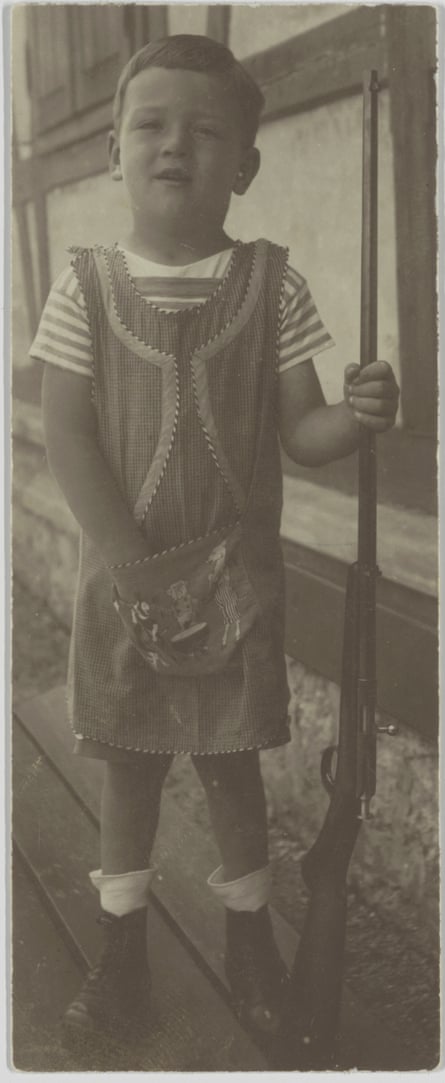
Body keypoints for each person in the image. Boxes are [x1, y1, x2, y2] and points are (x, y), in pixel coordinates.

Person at [31, 34, 399, 1049]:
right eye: (148, 125)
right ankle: (121, 960)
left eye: (205, 131)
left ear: (244, 164)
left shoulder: (271, 288)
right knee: (132, 770)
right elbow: (65, 435)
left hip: (236, 590)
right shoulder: (85, 290)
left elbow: (304, 430)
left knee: (232, 769)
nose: (172, 147)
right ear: (111, 149)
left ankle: (249, 949)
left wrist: (358, 417)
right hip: (128, 588)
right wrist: (134, 566)